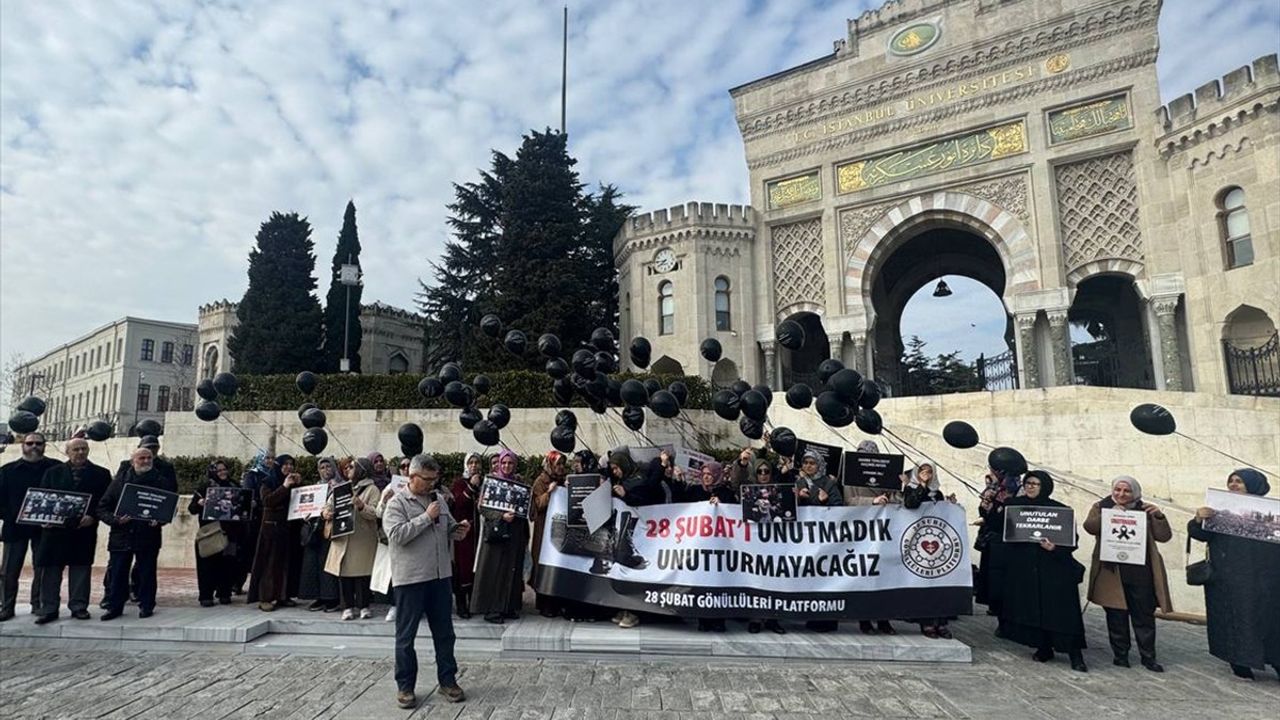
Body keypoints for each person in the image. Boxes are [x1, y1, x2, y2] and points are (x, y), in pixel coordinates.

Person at [384, 454, 471, 708]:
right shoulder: (397, 503)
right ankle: (405, 686)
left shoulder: (439, 500)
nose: (432, 483)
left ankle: (448, 681)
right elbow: (397, 535)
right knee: (406, 636)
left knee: (445, 634)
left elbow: (448, 528)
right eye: (427, 479)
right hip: (411, 579)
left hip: (440, 577)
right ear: (412, 477)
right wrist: (425, 517)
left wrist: (459, 530)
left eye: (435, 479)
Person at [1189, 469, 1280, 680]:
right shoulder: (1219, 509)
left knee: (1272, 621)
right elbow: (1200, 534)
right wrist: (1198, 519)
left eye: (1239, 481)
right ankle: (1239, 661)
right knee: (1235, 619)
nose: (1233, 485)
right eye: (1231, 481)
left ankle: (1275, 660)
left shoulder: (1273, 512)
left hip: (1268, 578)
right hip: (1230, 578)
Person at [998, 471, 1088, 671]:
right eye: (1028, 483)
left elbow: (1072, 540)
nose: (1030, 487)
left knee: (1062, 612)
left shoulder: (1059, 510)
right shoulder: (1015, 506)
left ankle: (1075, 654)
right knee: (1035, 610)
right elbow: (1000, 528)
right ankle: (1044, 647)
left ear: (1045, 486)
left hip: (1055, 569)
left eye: (1035, 484)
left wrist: (1055, 548)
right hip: (1027, 569)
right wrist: (988, 509)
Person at [1084, 476, 1173, 672]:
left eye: (1127, 491)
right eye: (1118, 490)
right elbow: (1089, 527)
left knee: (1144, 616)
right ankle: (1120, 655)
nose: (1121, 494)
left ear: (1135, 492)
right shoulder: (1101, 506)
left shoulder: (1145, 509)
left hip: (1141, 571)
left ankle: (1148, 657)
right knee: (1116, 616)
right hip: (1113, 572)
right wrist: (1109, 515)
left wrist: (1159, 517)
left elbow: (1164, 536)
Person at [31, 438, 111, 623]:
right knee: (50, 571)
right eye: (76, 449)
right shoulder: (53, 473)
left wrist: (93, 517)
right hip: (54, 531)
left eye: (84, 449)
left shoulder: (101, 474)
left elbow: (106, 502)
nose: (80, 452)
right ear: (67, 452)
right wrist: (44, 519)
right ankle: (49, 608)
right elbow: (42, 499)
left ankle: (79, 607)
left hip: (83, 531)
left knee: (81, 570)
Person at [98, 447, 177, 620]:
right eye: (142, 458)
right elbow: (102, 507)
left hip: (148, 535)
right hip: (122, 535)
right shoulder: (119, 482)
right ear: (133, 461)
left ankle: (147, 605)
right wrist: (116, 520)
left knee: (147, 573)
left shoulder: (161, 482)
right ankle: (114, 606)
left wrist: (160, 520)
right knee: (118, 573)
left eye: (149, 458)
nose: (146, 461)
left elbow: (170, 508)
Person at [0, 432, 59, 621]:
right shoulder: (7, 471)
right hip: (15, 528)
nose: (34, 446)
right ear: (22, 445)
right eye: (30, 443)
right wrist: (15, 516)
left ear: (44, 445)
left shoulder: (56, 468)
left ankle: (38, 605)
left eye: (38, 443)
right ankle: (6, 607)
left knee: (42, 569)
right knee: (9, 571)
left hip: (45, 528)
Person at [470, 449, 529, 624]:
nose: (506, 466)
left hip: (514, 533)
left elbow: (525, 505)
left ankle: (508, 606)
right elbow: (483, 508)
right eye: (504, 463)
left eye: (510, 463)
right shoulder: (491, 482)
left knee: (512, 569)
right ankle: (492, 610)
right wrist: (501, 516)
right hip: (496, 533)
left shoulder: (519, 482)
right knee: (494, 570)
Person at [901, 463, 959, 638]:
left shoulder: (937, 493)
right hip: (918, 542)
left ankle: (941, 622)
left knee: (939, 583)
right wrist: (922, 485)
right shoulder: (910, 489)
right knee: (923, 583)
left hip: (937, 541)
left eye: (929, 471)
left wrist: (950, 505)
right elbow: (911, 504)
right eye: (922, 471)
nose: (926, 474)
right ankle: (926, 622)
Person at [324, 457, 380, 620]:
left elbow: (376, 513)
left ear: (362, 470)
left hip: (362, 539)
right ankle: (347, 607)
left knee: (362, 574)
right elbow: (328, 504)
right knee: (344, 574)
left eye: (352, 467)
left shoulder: (372, 489)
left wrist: (361, 506)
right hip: (342, 536)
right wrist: (325, 513)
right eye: (347, 467)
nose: (348, 469)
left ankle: (364, 606)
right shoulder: (342, 487)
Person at [250, 454, 302, 611]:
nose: (288, 467)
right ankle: (265, 597)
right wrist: (284, 486)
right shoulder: (268, 482)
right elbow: (268, 501)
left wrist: (299, 485)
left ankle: (282, 595)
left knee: (285, 563)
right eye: (285, 464)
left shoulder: (293, 483)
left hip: (288, 528)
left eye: (291, 464)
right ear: (278, 466)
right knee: (269, 564)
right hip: (271, 528)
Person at [188, 460, 244, 607]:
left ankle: (224, 593)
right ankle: (206, 595)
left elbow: (242, 504)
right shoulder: (205, 487)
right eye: (219, 470)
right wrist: (199, 503)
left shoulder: (234, 485)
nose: (223, 472)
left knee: (228, 563)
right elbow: (191, 509)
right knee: (207, 564)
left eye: (224, 469)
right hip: (211, 532)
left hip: (230, 531)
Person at [975, 463, 1019, 635]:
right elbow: (986, 514)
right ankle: (1002, 621)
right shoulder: (993, 490)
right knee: (996, 584)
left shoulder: (1018, 491)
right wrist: (987, 503)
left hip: (1014, 543)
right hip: (995, 543)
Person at [298, 457, 341, 612]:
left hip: (331, 531)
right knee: (313, 564)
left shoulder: (340, 486)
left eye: (328, 466)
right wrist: (305, 514)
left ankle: (332, 598)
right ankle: (319, 597)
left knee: (328, 565)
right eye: (322, 468)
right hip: (315, 530)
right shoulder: (315, 488)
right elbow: (307, 507)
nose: (325, 470)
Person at [530, 450, 568, 618]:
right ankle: (544, 604)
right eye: (557, 464)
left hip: (560, 529)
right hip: (544, 529)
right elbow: (537, 504)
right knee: (544, 563)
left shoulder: (564, 480)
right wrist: (549, 493)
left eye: (562, 464)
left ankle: (558, 603)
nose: (561, 467)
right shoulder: (541, 481)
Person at [449, 453, 484, 618]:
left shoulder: (485, 483)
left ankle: (475, 603)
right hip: (464, 534)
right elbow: (458, 503)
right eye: (471, 462)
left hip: (480, 533)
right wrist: (471, 486)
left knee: (477, 568)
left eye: (477, 462)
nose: (474, 466)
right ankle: (462, 605)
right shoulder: (459, 483)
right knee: (463, 568)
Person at [239, 451, 275, 600]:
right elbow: (247, 495)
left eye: (272, 458)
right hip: (254, 520)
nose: (270, 461)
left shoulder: (273, 475)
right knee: (249, 552)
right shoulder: (252, 475)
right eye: (267, 458)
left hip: (267, 518)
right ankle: (238, 583)